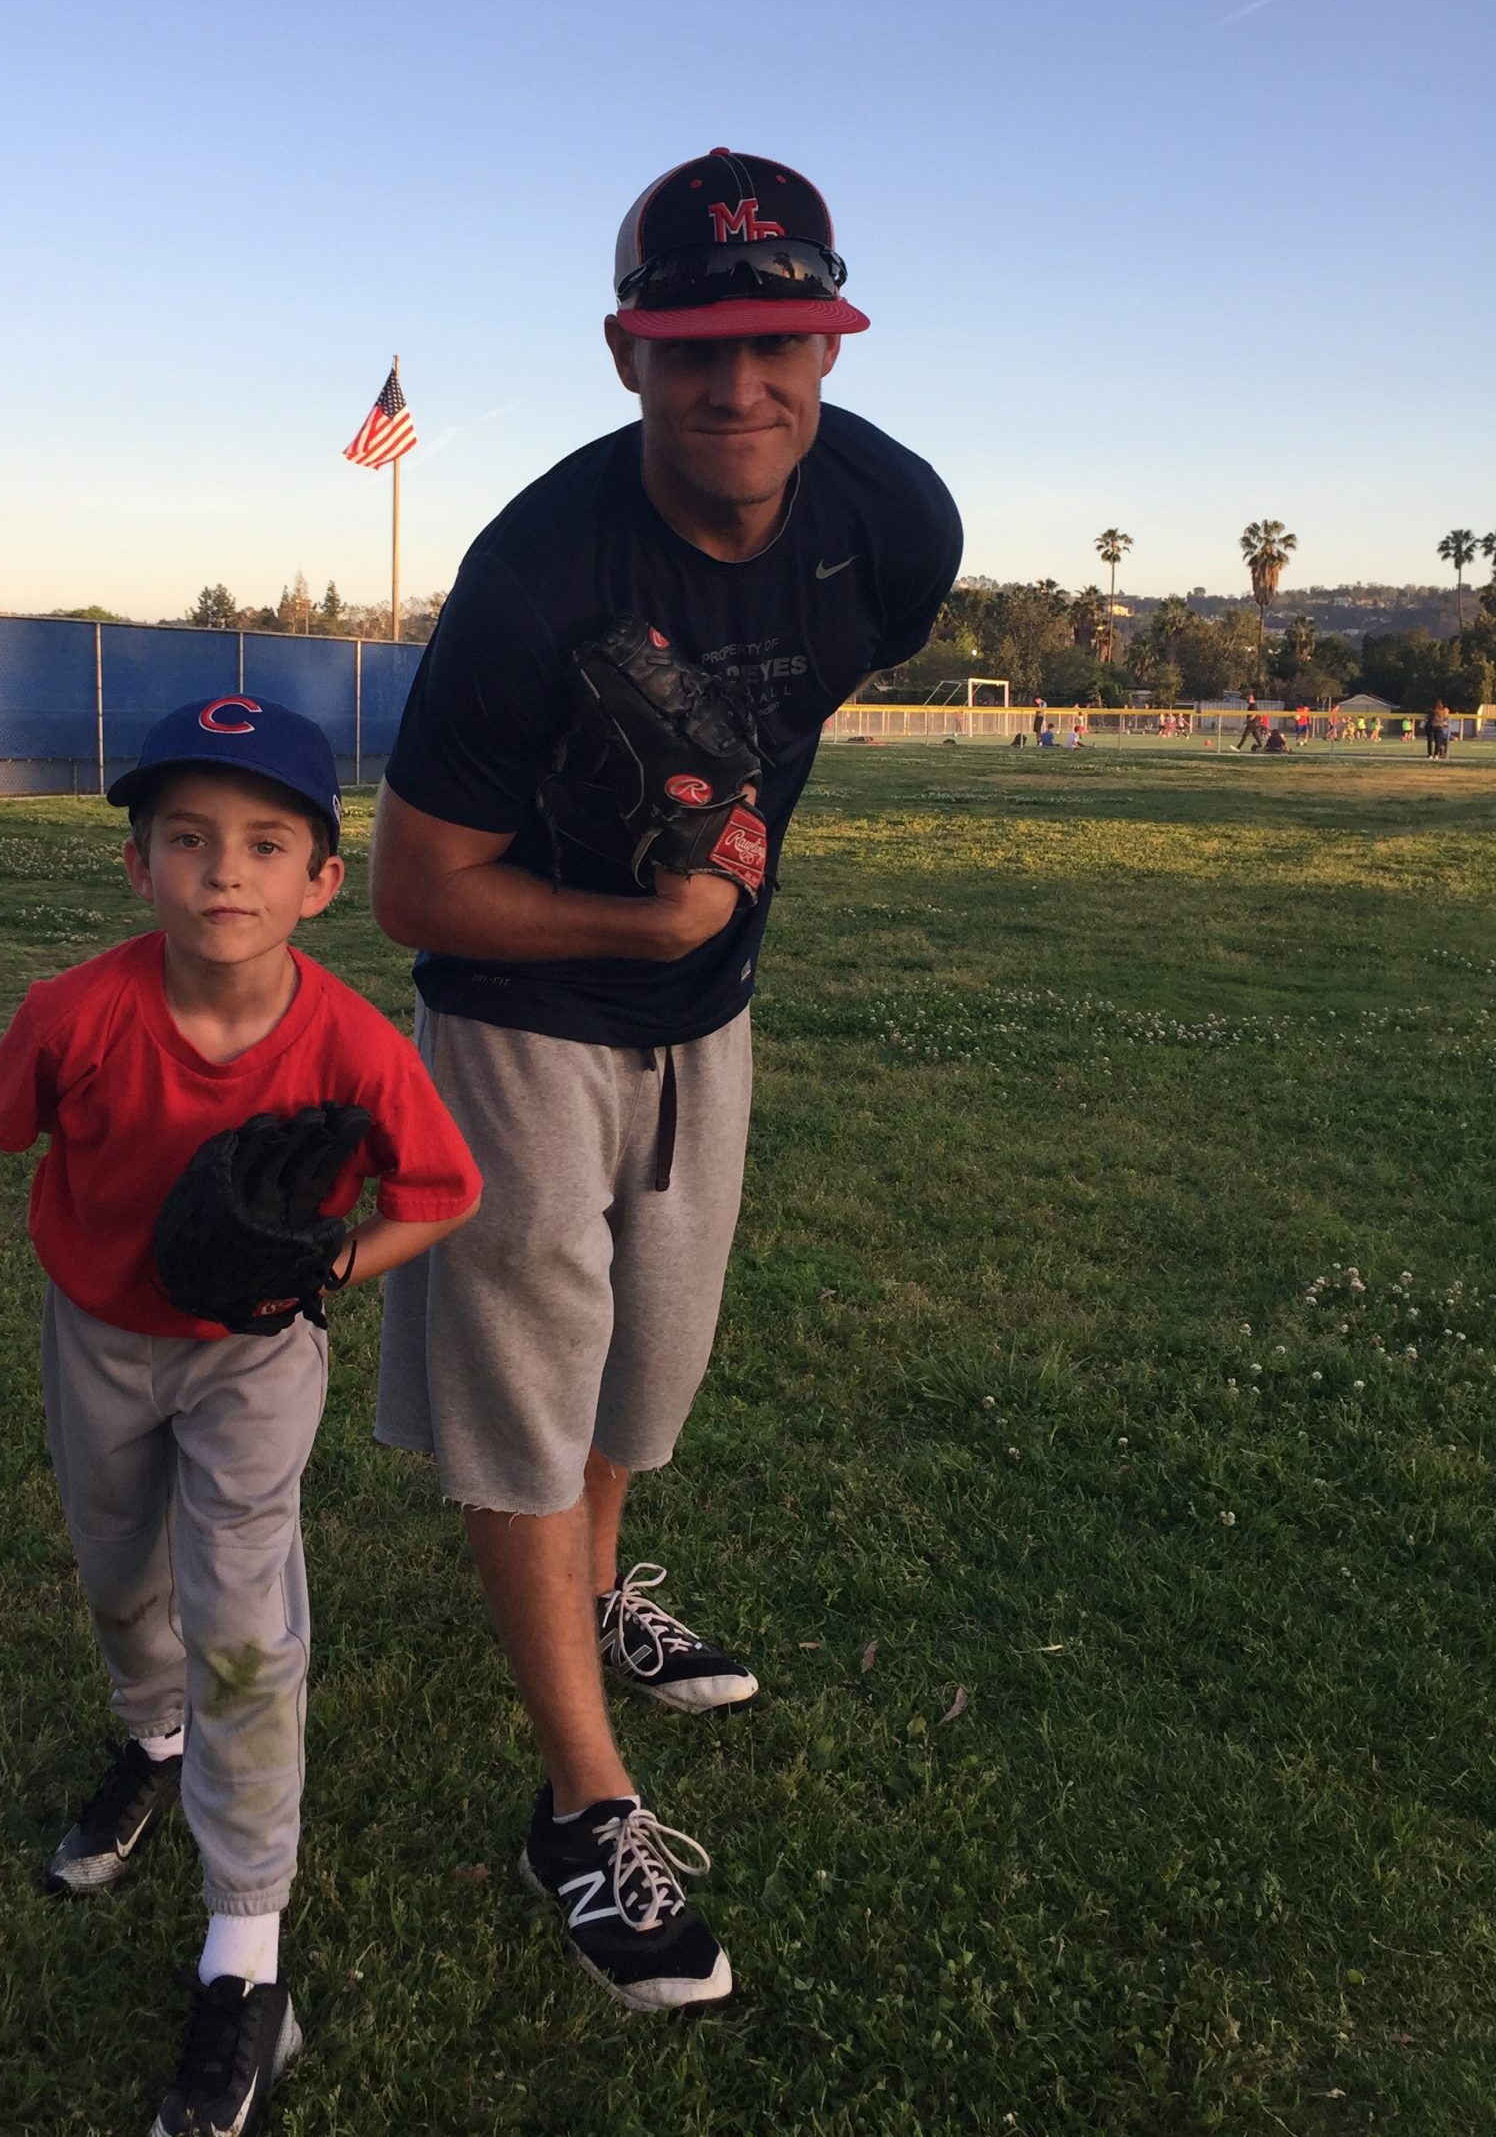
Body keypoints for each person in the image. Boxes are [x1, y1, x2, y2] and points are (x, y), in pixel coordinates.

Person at [367, 148, 961, 2012]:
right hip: (523, 1013)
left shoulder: (891, 527)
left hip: (712, 1007)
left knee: (652, 1365)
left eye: (783, 337)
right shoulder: (537, 572)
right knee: (531, 1399)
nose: (744, 383)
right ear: (628, 353)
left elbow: (782, 714)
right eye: (696, 343)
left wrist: (707, 857)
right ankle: (582, 1802)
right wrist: (642, 920)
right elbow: (406, 890)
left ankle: (602, 1589)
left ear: (830, 346)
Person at [0, 697, 480, 2137]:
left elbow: (442, 1195)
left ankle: (244, 1945)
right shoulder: (72, 1012)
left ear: (322, 883)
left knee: (244, 1623)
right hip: (99, 1339)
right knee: (117, 1573)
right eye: (188, 838)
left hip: (255, 1356)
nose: (225, 872)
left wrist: (330, 1260)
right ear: (137, 864)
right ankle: (152, 1741)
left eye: (268, 844)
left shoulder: (350, 1045)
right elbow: (13, 1128)